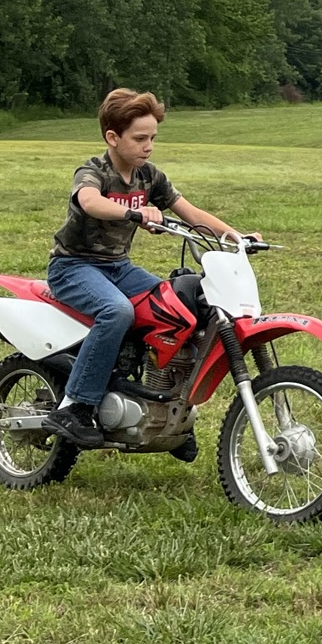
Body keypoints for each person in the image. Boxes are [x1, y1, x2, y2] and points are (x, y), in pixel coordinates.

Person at [44, 88, 257, 448]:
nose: (149, 146)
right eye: (140, 138)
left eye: (153, 138)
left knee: (178, 309)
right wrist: (133, 212)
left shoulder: (150, 177)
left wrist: (236, 237)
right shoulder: (93, 171)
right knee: (116, 311)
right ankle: (75, 406)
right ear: (113, 137)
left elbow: (191, 213)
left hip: (118, 267)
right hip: (73, 267)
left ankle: (165, 413)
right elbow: (90, 201)